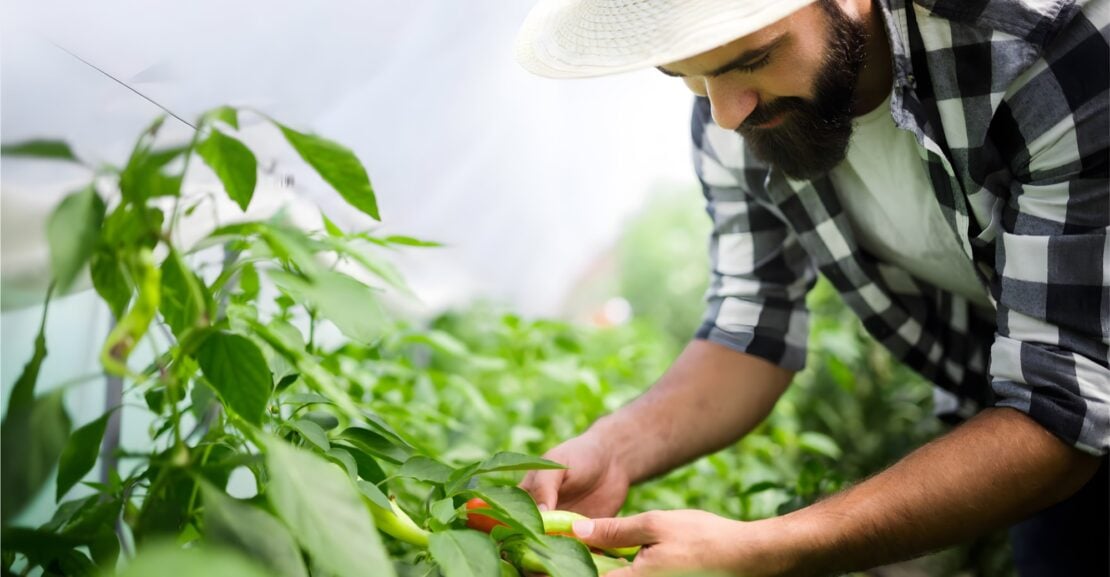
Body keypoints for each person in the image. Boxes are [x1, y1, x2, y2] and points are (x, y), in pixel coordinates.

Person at [515, 0, 1109, 575]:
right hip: (1031, 423)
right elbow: (751, 329)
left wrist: (770, 547)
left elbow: (1062, 400)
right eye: (686, 75)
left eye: (751, 59)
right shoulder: (736, 114)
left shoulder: (1043, 49)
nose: (725, 111)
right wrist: (612, 449)